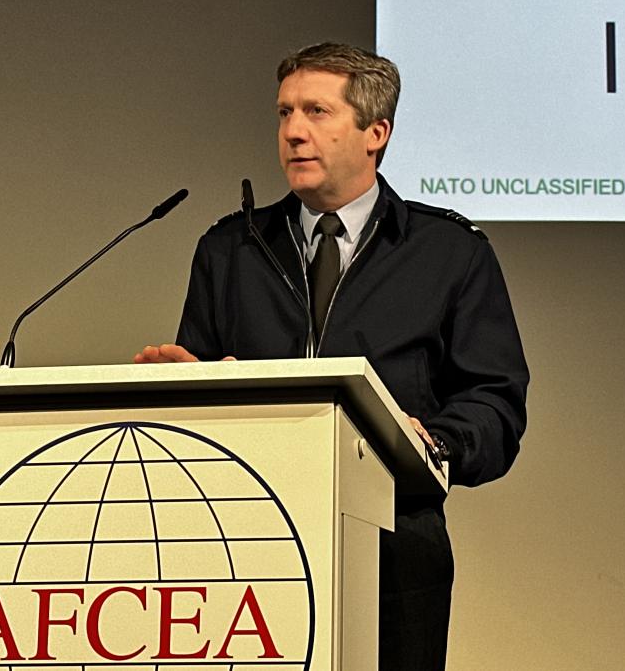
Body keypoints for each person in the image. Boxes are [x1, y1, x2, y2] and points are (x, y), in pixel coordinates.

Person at [135, 42, 528, 671]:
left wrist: (434, 442)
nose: (293, 131)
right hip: (244, 551)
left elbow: (495, 404)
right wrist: (183, 394)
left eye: (316, 112)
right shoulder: (230, 249)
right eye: (284, 112)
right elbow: (196, 404)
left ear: (376, 133)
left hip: (393, 551)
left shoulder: (449, 253)